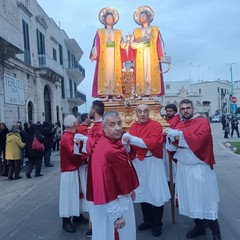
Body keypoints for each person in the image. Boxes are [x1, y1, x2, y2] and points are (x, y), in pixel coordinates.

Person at [164, 99, 222, 240]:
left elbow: (199, 141)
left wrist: (177, 136)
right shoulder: (179, 124)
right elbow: (172, 146)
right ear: (180, 110)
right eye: (182, 108)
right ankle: (200, 226)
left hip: (199, 168)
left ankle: (216, 232)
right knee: (190, 200)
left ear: (193, 108)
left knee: (206, 200)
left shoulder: (202, 122)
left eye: (188, 108)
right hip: (184, 169)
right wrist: (170, 140)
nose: (185, 110)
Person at [78, 111, 139, 240]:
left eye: (119, 123)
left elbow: (121, 168)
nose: (117, 128)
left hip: (121, 197)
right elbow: (103, 184)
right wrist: (116, 215)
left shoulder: (112, 141)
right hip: (111, 204)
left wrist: (129, 189)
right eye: (112, 125)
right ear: (104, 127)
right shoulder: (103, 149)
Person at [122, 104, 171, 237]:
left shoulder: (155, 125)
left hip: (152, 161)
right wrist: (126, 144)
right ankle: (147, 220)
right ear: (136, 113)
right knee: (142, 192)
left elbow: (153, 143)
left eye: (145, 111)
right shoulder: (133, 127)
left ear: (148, 112)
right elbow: (131, 148)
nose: (142, 114)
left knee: (155, 193)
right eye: (139, 111)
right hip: (139, 163)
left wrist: (132, 139)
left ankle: (157, 223)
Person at [90, 7, 127, 98]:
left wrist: (126, 43)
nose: (110, 20)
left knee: (115, 74)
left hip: (115, 57)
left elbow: (121, 43)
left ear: (114, 20)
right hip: (104, 56)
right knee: (106, 74)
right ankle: (106, 92)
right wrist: (95, 54)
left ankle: (115, 93)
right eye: (108, 18)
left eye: (111, 18)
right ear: (105, 20)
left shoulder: (118, 32)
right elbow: (96, 43)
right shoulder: (100, 31)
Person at [129, 6, 165, 96]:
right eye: (141, 17)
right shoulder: (136, 31)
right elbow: (131, 43)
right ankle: (141, 93)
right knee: (142, 73)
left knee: (152, 72)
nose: (142, 18)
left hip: (152, 54)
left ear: (148, 18)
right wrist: (139, 45)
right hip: (141, 55)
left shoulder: (155, 29)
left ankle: (151, 93)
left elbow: (159, 42)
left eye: (144, 16)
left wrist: (162, 55)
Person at [59, 115, 87, 233]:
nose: (78, 125)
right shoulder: (67, 137)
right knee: (69, 196)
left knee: (77, 194)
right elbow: (73, 154)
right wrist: (85, 156)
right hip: (70, 171)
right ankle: (66, 221)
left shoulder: (72, 136)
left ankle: (77, 215)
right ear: (73, 125)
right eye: (76, 123)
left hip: (76, 169)